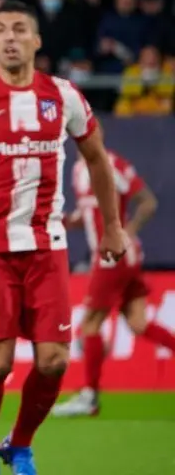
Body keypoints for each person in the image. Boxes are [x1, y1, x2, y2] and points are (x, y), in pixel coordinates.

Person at [0, 0, 126, 475]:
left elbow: (97, 159)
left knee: (54, 361)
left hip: (46, 246)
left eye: (19, 29)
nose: (10, 37)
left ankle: (20, 444)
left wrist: (113, 224)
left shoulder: (64, 96)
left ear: (37, 41)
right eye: (0, 30)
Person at [53, 150, 170, 417]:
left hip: (112, 256)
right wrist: (70, 221)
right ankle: (90, 393)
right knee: (138, 322)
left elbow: (148, 202)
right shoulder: (79, 170)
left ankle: (90, 396)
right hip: (120, 256)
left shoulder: (111, 164)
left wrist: (126, 232)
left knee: (89, 326)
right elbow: (93, 212)